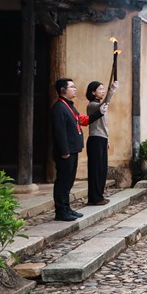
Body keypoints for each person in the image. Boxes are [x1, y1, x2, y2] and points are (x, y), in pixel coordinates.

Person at [51, 78, 105, 221]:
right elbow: (59, 132)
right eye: (72, 87)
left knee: (68, 181)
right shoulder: (59, 107)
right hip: (66, 151)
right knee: (63, 181)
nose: (75, 89)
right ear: (63, 90)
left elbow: (83, 120)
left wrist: (99, 113)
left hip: (73, 149)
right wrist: (64, 151)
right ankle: (61, 211)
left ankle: (67, 208)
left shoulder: (70, 106)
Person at [85, 80, 118, 206]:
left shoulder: (100, 106)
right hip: (95, 139)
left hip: (102, 139)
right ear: (93, 92)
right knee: (96, 170)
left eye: (104, 89)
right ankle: (94, 198)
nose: (103, 91)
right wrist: (112, 91)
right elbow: (106, 103)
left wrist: (107, 139)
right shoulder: (92, 106)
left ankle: (99, 196)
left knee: (102, 169)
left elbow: (104, 125)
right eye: (100, 89)